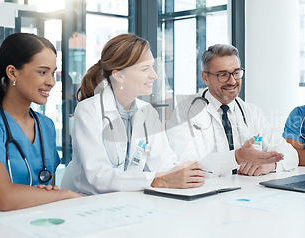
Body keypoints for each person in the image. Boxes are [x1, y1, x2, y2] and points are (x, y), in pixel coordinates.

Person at [61, 34, 205, 194]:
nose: (154, 75)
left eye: (152, 67)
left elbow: (164, 163)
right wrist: (160, 179)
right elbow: (99, 177)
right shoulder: (89, 110)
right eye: (145, 69)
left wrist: (185, 171)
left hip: (126, 202)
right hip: (87, 201)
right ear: (119, 75)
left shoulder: (147, 112)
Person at [0, 33, 82, 214]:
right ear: (12, 72)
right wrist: (65, 195)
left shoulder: (45, 126)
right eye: (42, 72)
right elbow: (4, 197)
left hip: (31, 223)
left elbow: (48, 189)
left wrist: (52, 196)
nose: (51, 82)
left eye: (53, 73)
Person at [166, 44, 297, 177]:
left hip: (247, 192)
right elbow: (189, 165)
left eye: (236, 73)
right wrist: (237, 157)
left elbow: (290, 153)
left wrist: (271, 165)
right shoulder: (186, 112)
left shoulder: (251, 111)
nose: (232, 81)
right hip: (208, 193)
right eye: (223, 75)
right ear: (205, 77)